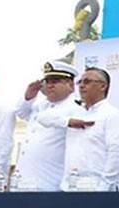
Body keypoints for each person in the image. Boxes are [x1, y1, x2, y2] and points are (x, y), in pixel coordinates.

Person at [15, 61, 84, 191]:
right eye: (47, 81)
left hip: (50, 182)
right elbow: (20, 112)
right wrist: (29, 96)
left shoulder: (76, 110)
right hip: (25, 181)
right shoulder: (40, 106)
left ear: (70, 85)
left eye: (56, 81)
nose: (50, 85)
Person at [61, 67, 119, 191]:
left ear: (103, 86)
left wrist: (104, 186)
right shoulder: (73, 113)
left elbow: (116, 153)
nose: (81, 86)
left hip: (96, 188)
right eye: (80, 82)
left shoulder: (113, 114)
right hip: (69, 187)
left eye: (87, 82)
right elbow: (43, 118)